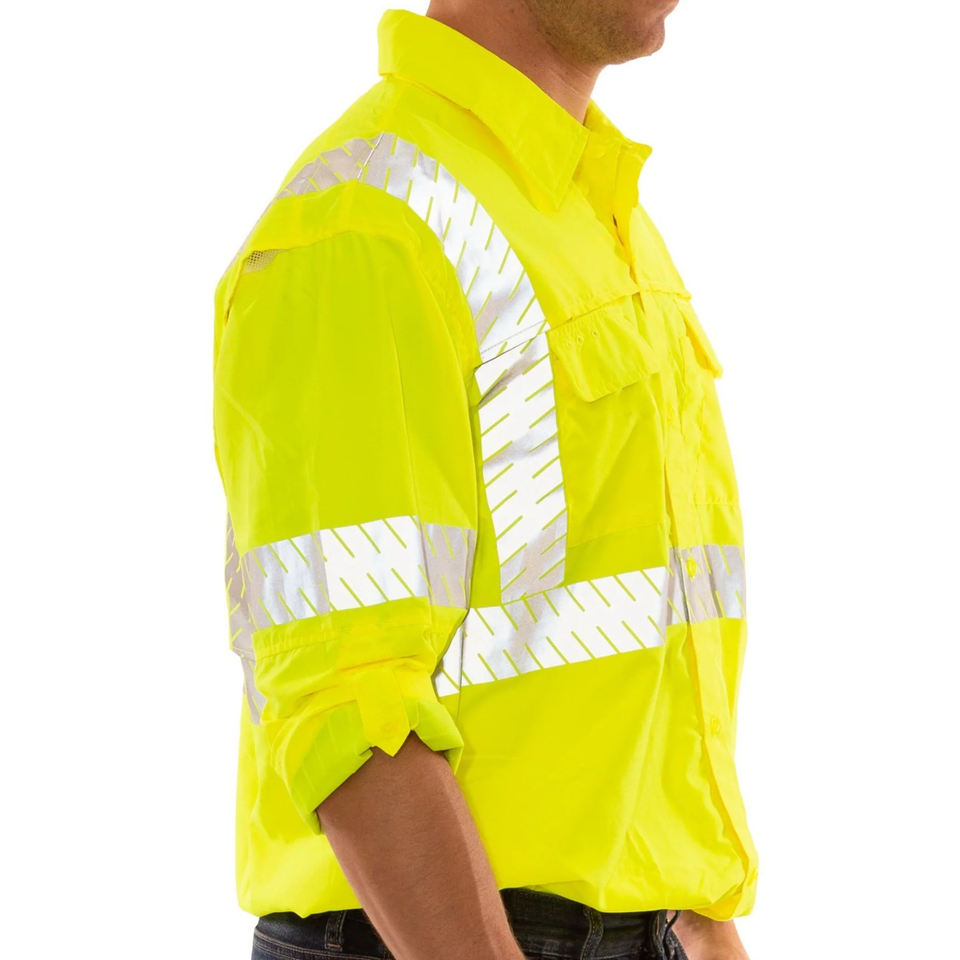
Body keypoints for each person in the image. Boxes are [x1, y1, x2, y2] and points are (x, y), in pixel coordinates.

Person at [211, 3, 758, 959]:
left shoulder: (588, 208)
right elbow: (349, 702)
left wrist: (703, 931)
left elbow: (637, 691)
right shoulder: (366, 225)